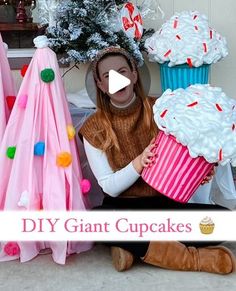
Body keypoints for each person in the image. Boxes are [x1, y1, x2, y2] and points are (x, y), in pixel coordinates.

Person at [79, 46, 236, 274]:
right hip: (125, 208)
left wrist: (199, 173)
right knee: (95, 221)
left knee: (225, 222)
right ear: (101, 85)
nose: (117, 80)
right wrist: (139, 163)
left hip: (166, 205)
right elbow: (109, 188)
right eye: (107, 76)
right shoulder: (94, 128)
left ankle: (131, 246)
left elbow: (183, 160)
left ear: (134, 75)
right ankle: (191, 259)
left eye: (122, 71)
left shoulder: (162, 109)